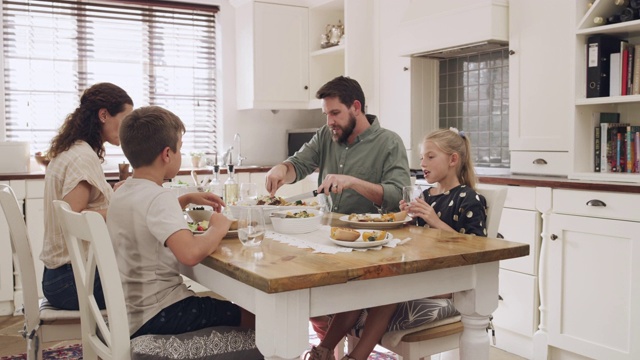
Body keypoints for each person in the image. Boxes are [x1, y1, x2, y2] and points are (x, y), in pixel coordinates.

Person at [305, 128, 488, 360]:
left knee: (387, 291)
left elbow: (479, 249)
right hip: (424, 272)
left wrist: (434, 220)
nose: (423, 163)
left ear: (453, 160)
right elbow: (420, 239)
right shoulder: (428, 195)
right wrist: (405, 219)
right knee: (359, 287)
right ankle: (323, 350)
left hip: (450, 279)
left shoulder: (469, 198)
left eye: (431, 157)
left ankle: (356, 357)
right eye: (422, 157)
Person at [106, 106, 256, 339]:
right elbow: (190, 254)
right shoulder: (159, 197)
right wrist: (219, 226)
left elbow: (144, 216)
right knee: (257, 319)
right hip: (161, 312)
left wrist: (184, 200)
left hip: (132, 312)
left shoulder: (122, 191)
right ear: (167, 154)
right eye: (180, 149)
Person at [41, 82, 133, 310]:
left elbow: (80, 204)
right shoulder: (83, 157)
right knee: (152, 283)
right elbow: (75, 220)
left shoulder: (74, 150)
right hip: (71, 281)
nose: (128, 128)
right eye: (126, 119)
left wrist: (111, 195)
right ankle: (131, 342)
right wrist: (123, 208)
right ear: (104, 115)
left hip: (63, 277)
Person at [265, 76, 410, 214]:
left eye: (335, 113)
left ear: (356, 107)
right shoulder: (325, 134)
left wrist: (353, 182)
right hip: (326, 231)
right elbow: (299, 165)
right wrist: (283, 169)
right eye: (326, 114)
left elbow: (398, 197)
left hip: (370, 235)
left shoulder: (390, 142)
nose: (329, 122)